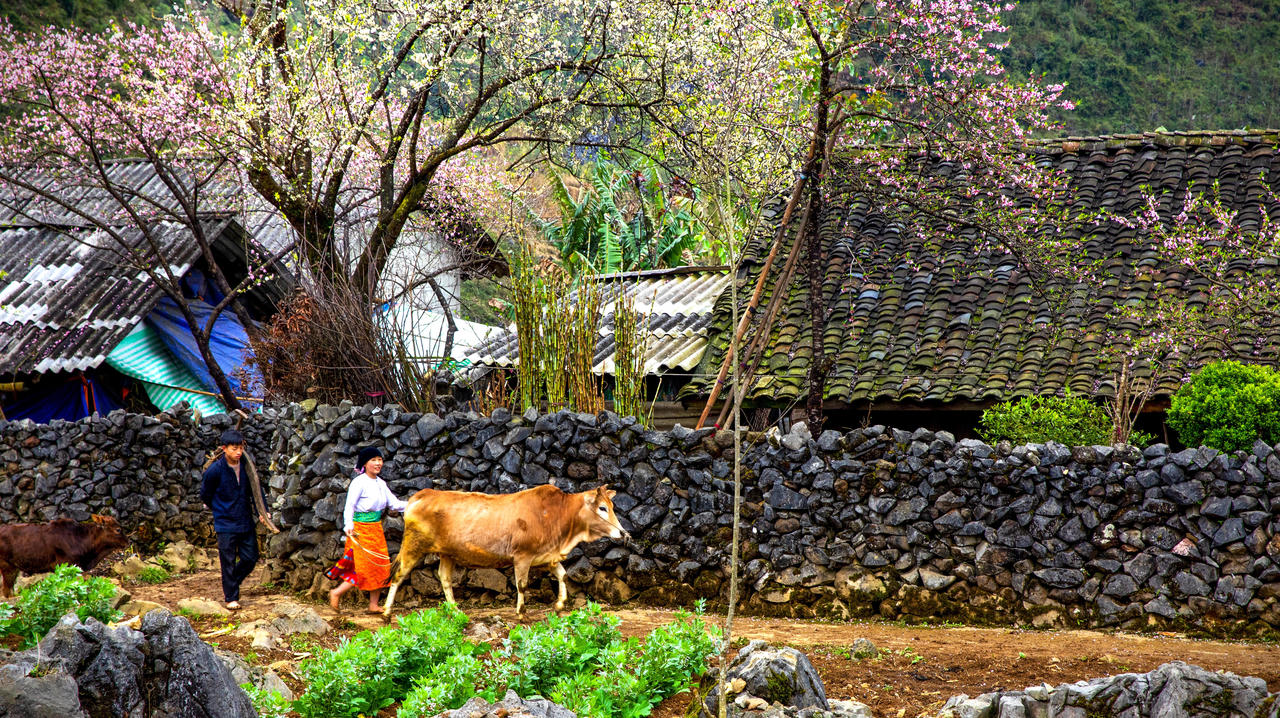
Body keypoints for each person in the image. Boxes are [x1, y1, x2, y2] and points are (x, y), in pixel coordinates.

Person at [327, 446, 406, 614]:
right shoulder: (359, 483)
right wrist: (349, 526)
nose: (378, 463)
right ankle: (336, 592)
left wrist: (415, 504)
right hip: (360, 531)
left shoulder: (381, 483)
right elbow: (350, 506)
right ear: (365, 463)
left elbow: (395, 504)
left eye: (380, 460)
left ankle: (373, 604)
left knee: (380, 566)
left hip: (376, 529)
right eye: (373, 460)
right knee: (362, 568)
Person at [200, 429, 268, 610]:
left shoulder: (246, 466)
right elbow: (205, 494)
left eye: (241, 448)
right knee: (228, 560)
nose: (238, 452)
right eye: (234, 448)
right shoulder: (215, 470)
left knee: (251, 557)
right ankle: (231, 597)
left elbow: (256, 489)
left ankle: (232, 582)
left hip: (245, 519)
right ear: (224, 449)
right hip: (225, 522)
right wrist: (219, 509)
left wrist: (263, 510)